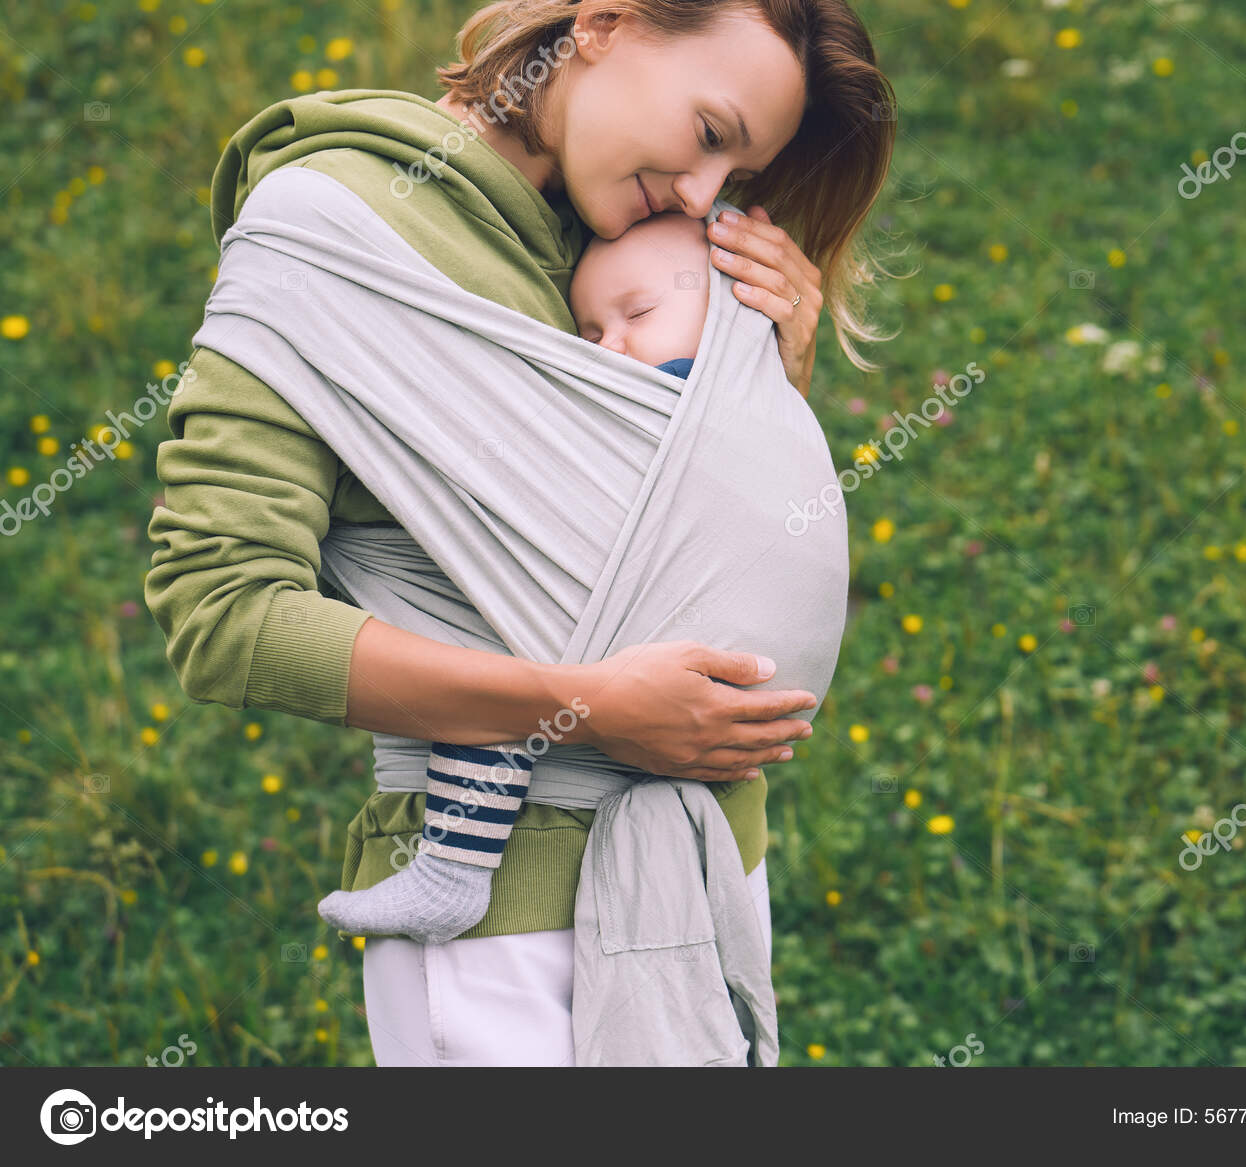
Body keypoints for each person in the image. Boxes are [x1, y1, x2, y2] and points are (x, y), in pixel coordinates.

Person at [145, 0, 897, 1065]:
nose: (700, 192)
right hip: (499, 925)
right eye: (709, 132)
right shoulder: (337, 229)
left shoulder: (640, 256)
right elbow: (222, 615)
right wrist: (583, 708)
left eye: (733, 178)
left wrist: (760, 381)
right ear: (603, 25)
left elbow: (677, 535)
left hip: (710, 878)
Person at [315, 211, 722, 943]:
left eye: (639, 313)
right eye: (591, 334)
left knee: (491, 660)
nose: (614, 347)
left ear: (729, 311)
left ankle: (451, 871)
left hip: (644, 606)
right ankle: (451, 872)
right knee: (506, 659)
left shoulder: (688, 392)